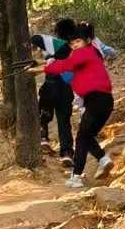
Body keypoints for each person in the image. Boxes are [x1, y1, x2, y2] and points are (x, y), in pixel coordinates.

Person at [31, 21, 114, 189]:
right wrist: (42, 65)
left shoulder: (83, 53)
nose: (75, 45)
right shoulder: (89, 54)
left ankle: (76, 176)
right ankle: (103, 159)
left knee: (82, 137)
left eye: (78, 41)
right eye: (72, 43)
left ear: (87, 40)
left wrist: (37, 70)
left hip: (96, 100)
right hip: (103, 102)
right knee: (87, 134)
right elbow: (64, 66)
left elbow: (64, 65)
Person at [30, 26, 75, 167]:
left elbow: (36, 38)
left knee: (43, 111)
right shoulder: (76, 51)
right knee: (64, 122)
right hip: (67, 90)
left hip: (51, 86)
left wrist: (32, 69)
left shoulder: (54, 44)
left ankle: (43, 137)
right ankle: (67, 153)